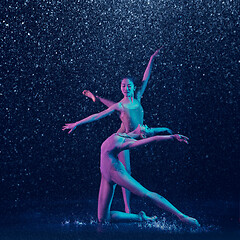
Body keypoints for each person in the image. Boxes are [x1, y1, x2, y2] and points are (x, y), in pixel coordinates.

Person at [62, 48, 172, 214]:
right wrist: (77, 123)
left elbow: (145, 77)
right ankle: (128, 208)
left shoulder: (138, 97)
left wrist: (152, 59)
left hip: (136, 134)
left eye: (128, 86)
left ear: (134, 88)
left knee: (128, 169)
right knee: (125, 171)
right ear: (120, 88)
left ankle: (96, 97)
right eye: (123, 86)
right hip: (123, 137)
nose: (126, 88)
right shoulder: (120, 105)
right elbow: (98, 115)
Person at [98, 124, 200, 227]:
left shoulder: (127, 142)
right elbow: (152, 132)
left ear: (143, 135)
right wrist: (164, 129)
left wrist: (172, 137)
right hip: (105, 174)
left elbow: (154, 139)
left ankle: (182, 216)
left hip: (114, 171)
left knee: (146, 194)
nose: (146, 125)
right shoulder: (124, 134)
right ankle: (139, 217)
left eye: (147, 128)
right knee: (103, 219)